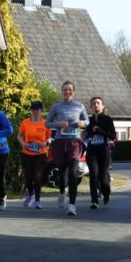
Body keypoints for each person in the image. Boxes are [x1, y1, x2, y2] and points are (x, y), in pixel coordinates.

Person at [46, 81, 89, 217]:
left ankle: (72, 206)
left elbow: (87, 121)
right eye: (65, 90)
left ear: (74, 92)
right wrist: (58, 124)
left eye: (70, 90)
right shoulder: (56, 106)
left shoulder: (79, 106)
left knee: (72, 173)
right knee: (62, 171)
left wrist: (82, 123)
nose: (67, 92)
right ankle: (61, 192)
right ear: (62, 91)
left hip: (74, 142)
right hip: (60, 142)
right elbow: (47, 123)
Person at [84, 96, 116, 208]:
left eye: (98, 103)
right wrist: (90, 132)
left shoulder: (108, 119)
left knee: (103, 177)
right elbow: (85, 135)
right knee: (93, 175)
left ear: (103, 106)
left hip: (104, 150)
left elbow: (113, 135)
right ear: (91, 107)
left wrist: (100, 130)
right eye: (93, 104)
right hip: (92, 151)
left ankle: (106, 192)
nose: (96, 105)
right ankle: (94, 200)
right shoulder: (89, 120)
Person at [18, 101, 51, 209]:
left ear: (41, 111)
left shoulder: (46, 123)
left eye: (37, 109)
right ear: (31, 110)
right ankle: (30, 194)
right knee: (27, 177)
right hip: (27, 153)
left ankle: (37, 199)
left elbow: (49, 138)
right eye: (33, 109)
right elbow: (20, 135)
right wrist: (23, 143)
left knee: (37, 176)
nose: (35, 111)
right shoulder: (25, 122)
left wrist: (45, 143)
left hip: (41, 153)